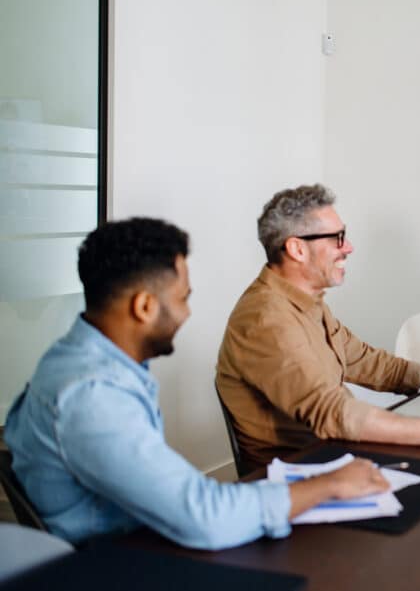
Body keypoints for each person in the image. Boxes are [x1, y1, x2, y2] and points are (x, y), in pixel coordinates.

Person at [4, 218, 389, 549]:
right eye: (183, 299)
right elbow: (203, 515)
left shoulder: (74, 357)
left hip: (141, 534)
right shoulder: (93, 394)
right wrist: (327, 485)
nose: (187, 312)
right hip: (122, 560)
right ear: (144, 307)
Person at [216, 185, 420, 469]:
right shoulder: (267, 320)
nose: (349, 247)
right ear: (297, 249)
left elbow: (369, 361)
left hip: (337, 451)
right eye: (337, 238)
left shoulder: (308, 303)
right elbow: (335, 412)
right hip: (303, 472)